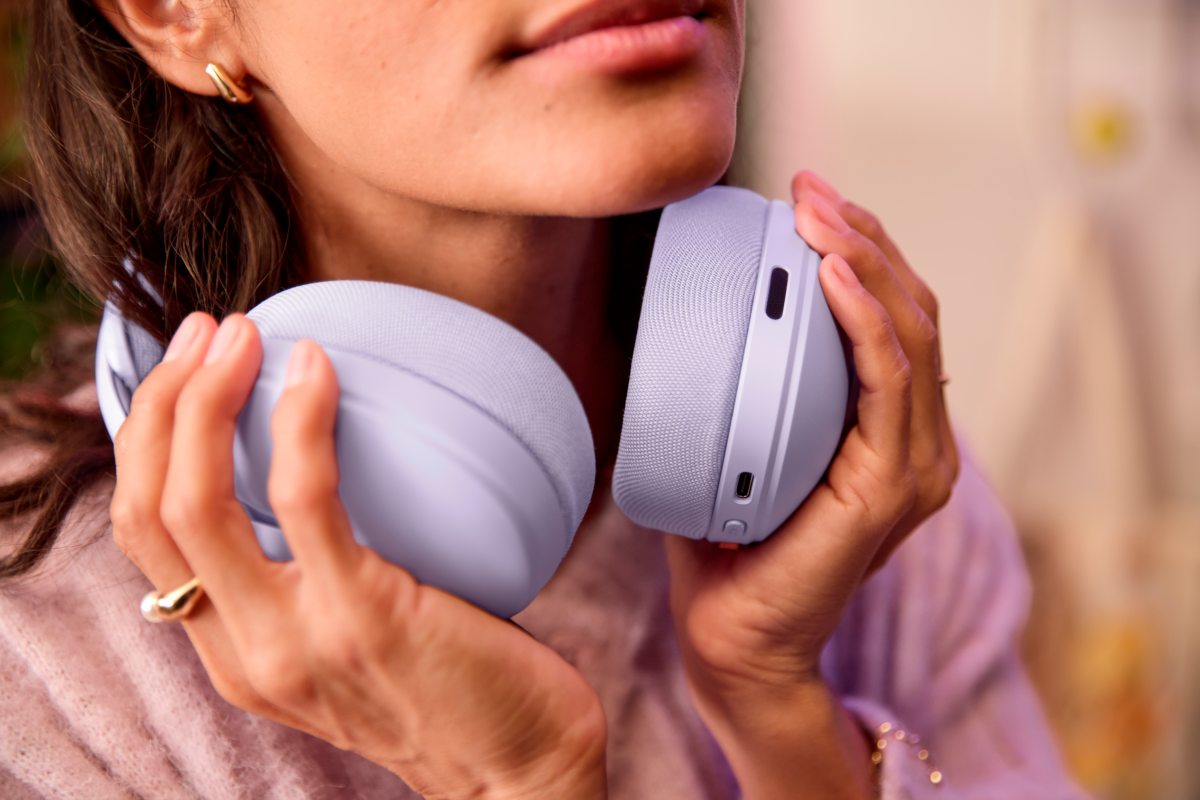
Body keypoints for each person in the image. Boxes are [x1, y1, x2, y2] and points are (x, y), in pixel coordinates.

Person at [0, 1, 1088, 798]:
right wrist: (513, 781)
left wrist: (782, 714)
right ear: (176, 12)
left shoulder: (854, 477)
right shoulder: (41, 666)